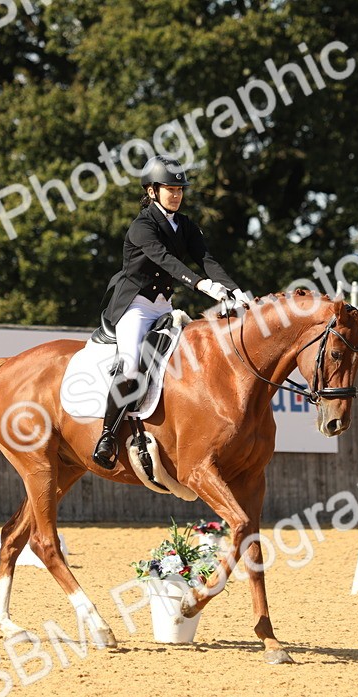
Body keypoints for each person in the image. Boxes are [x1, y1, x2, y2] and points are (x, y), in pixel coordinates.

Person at [92, 155, 254, 469]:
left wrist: (235, 290)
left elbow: (206, 259)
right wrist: (202, 286)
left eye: (180, 189)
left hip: (164, 307)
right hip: (134, 308)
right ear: (152, 191)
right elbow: (166, 260)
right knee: (128, 368)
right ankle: (107, 435)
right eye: (170, 189)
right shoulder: (142, 226)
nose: (176, 195)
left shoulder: (185, 225)